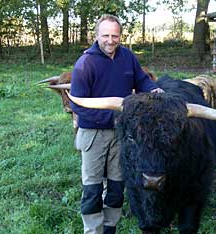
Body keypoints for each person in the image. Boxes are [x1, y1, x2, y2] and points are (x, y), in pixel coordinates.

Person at [70, 14, 163, 234]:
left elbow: (140, 80)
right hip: (93, 134)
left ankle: (110, 228)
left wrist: (153, 89)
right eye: (105, 35)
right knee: (92, 188)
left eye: (115, 35)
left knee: (116, 186)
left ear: (120, 36)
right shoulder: (85, 64)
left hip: (121, 134)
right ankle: (93, 230)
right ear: (96, 36)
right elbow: (78, 105)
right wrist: (113, 118)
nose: (110, 40)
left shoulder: (127, 56)